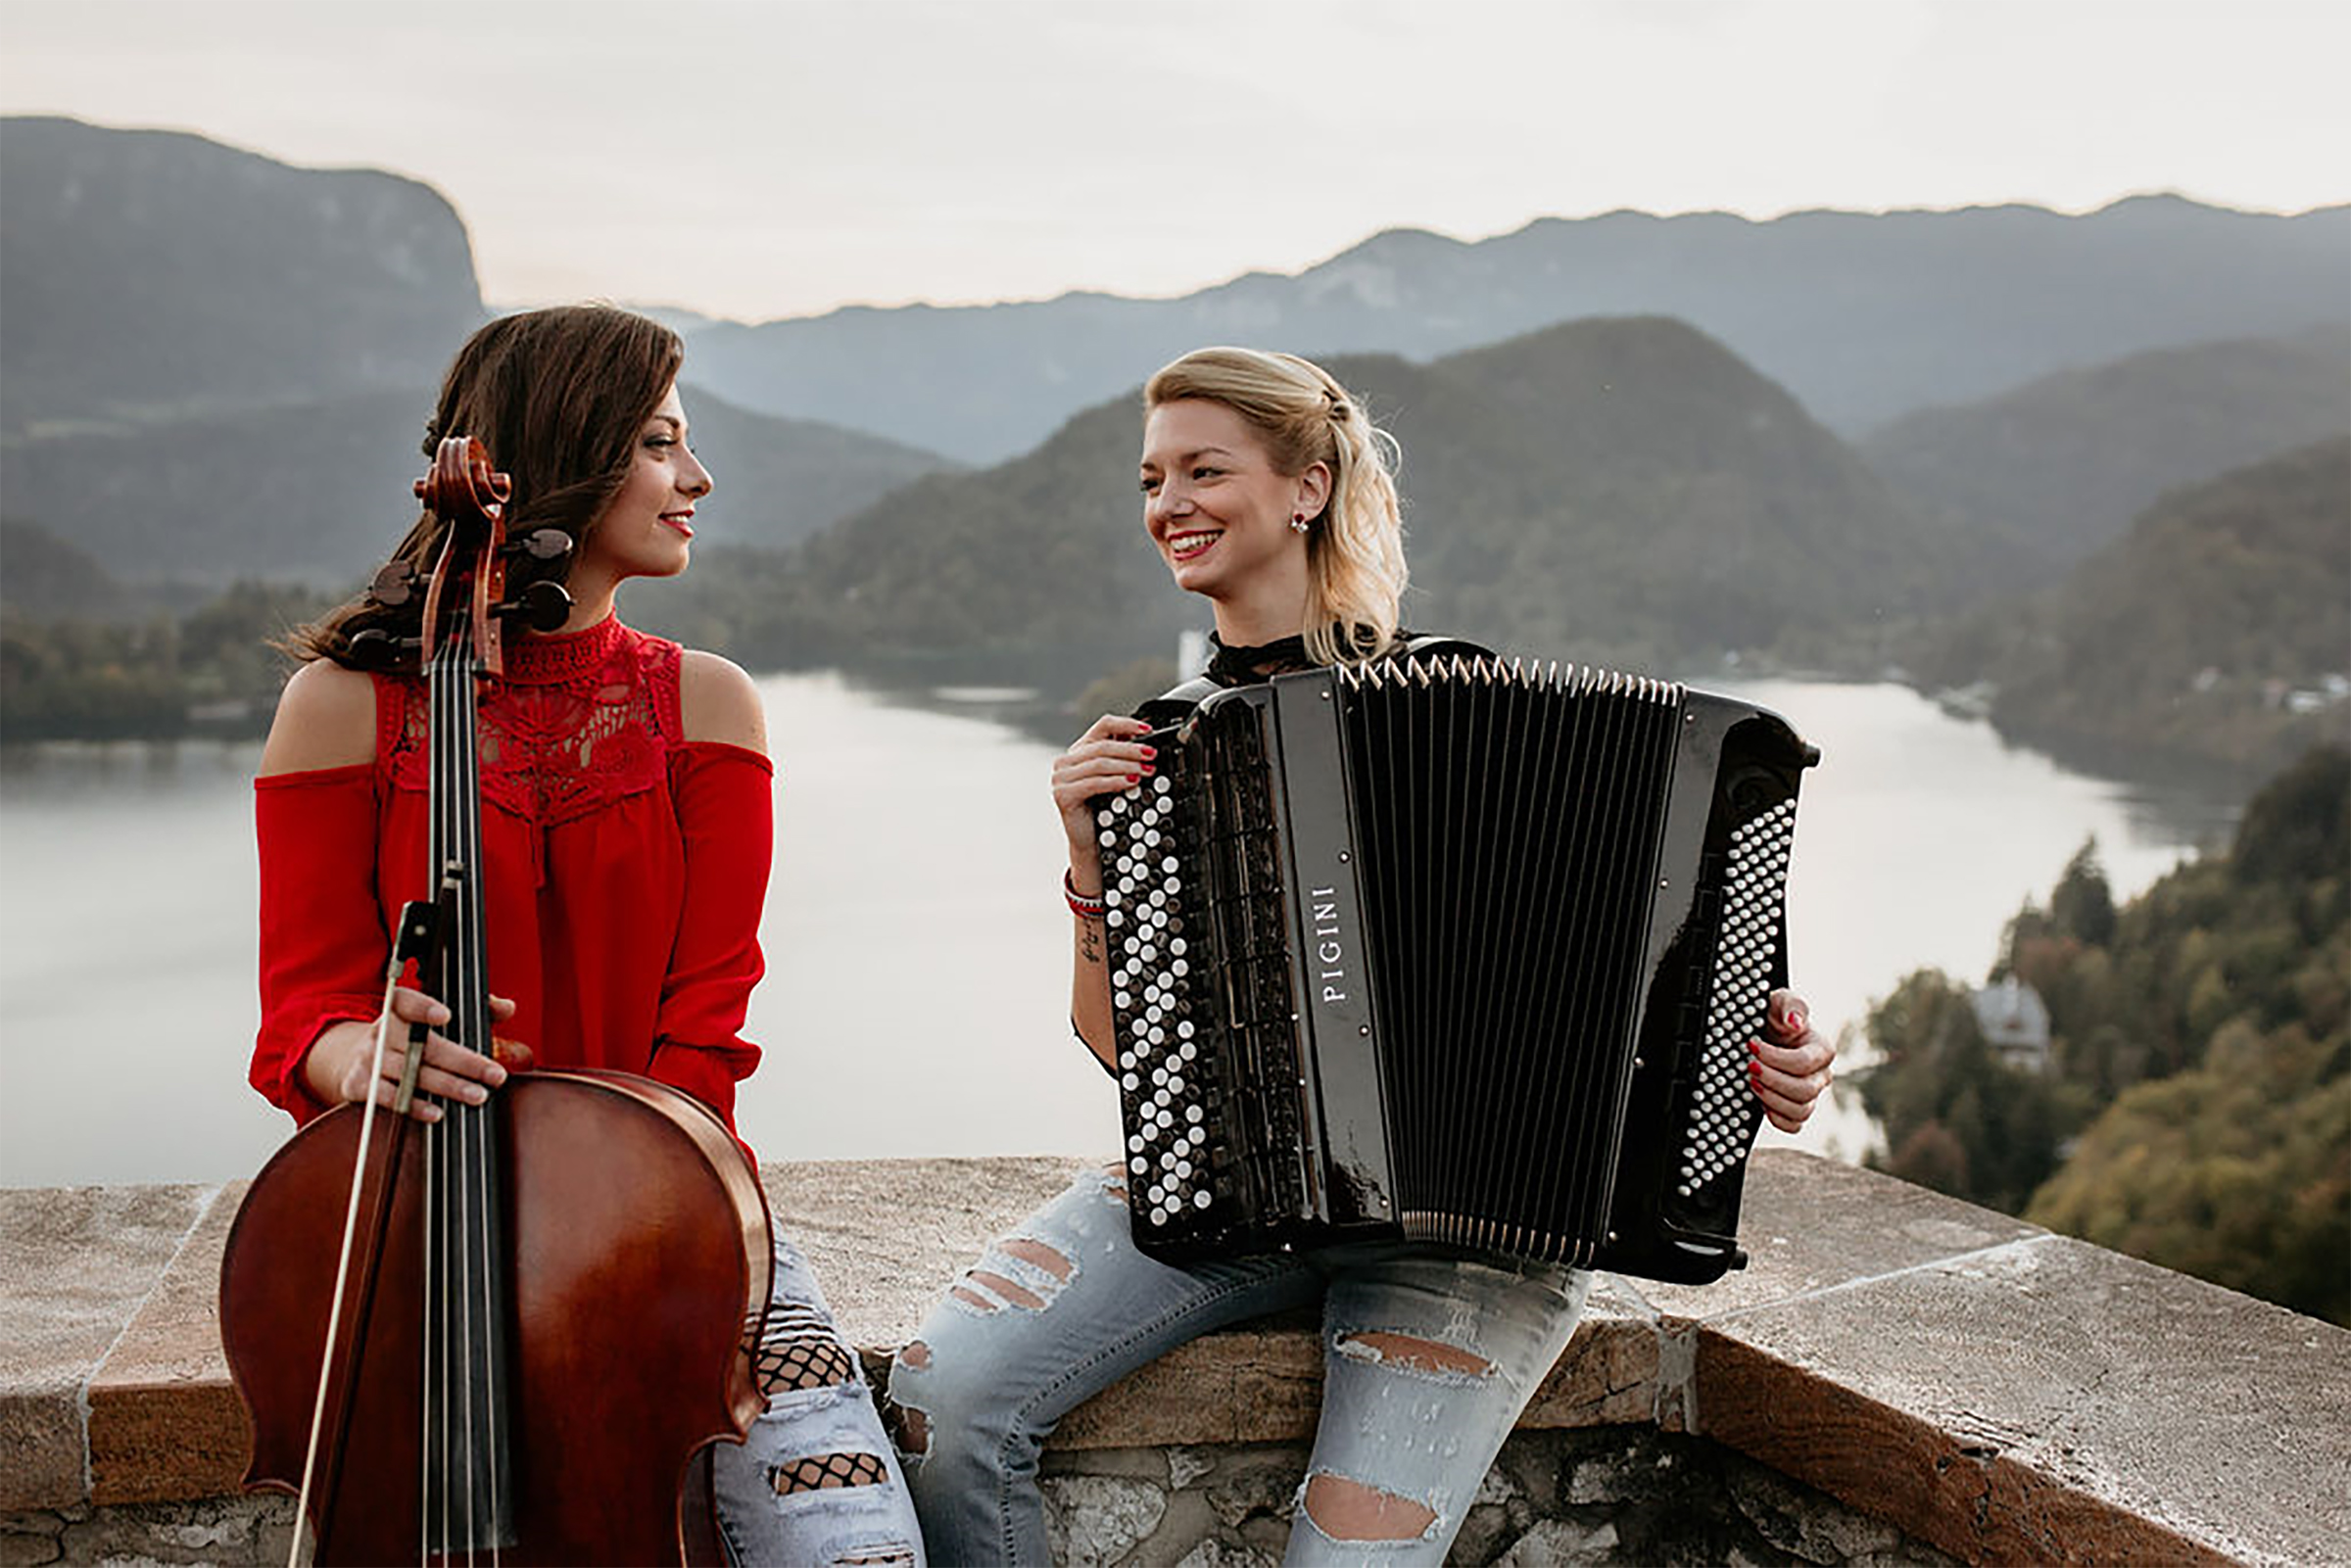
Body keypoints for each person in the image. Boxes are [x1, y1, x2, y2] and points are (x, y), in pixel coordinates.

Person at [885, 346, 1837, 1563]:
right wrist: (1087, 865)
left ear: (1308, 487)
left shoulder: (1467, 698)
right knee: (946, 1397)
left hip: (1476, 1243)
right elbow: (1129, 1055)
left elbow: (1656, 964)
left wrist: (1763, 1054)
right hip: (1239, 1194)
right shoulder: (1169, 750)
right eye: (1152, 478)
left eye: (1203, 469)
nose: (1168, 503)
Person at [249, 305, 925, 1567]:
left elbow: (703, 1037)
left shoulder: (706, 706)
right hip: (417, 1234)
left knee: (859, 1548)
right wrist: (365, 1054)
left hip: (671, 1228)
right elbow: (302, 1013)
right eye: (661, 444)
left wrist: (614, 1245)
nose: (698, 477)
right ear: (571, 456)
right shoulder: (340, 708)